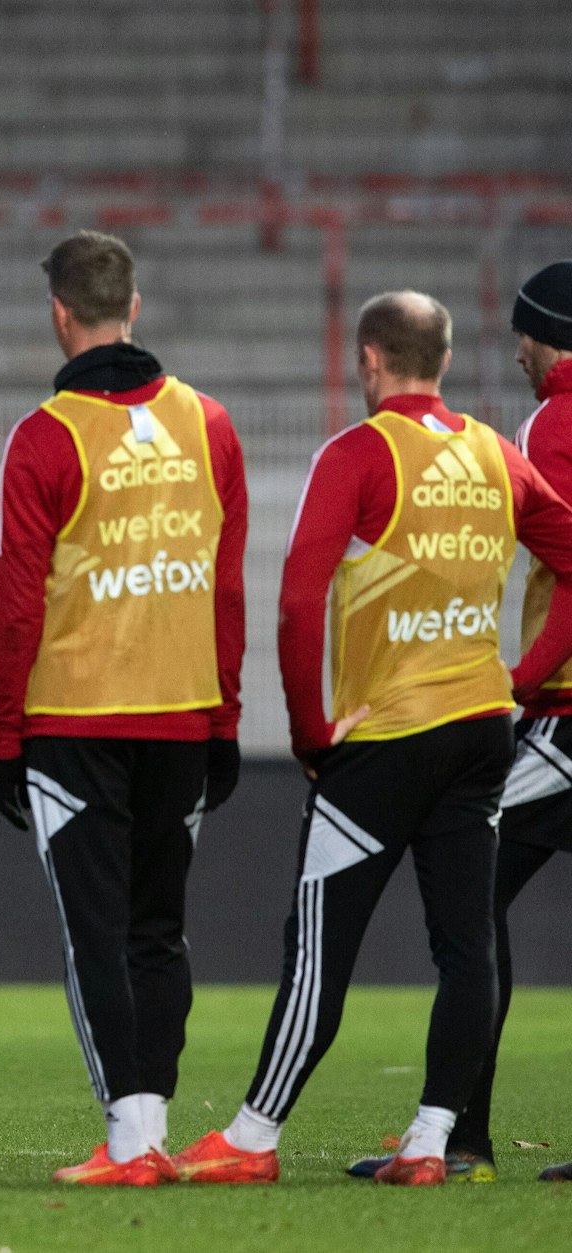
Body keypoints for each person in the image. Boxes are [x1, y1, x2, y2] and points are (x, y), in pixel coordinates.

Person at [174, 291, 572, 1186]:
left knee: (320, 940)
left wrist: (312, 731)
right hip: (481, 733)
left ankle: (252, 1134)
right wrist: (525, 676)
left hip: (387, 735)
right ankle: (432, 1142)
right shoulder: (494, 455)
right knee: (467, 944)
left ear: (369, 361)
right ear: (442, 358)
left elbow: (298, 599)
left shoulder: (357, 454)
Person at [0, 231, 247, 1185]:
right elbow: (226, 587)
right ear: (132, 306)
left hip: (75, 723)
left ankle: (132, 1141)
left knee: (94, 932)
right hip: (182, 714)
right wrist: (225, 719)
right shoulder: (210, 425)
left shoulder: (47, 436)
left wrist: (4, 735)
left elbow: (18, 601)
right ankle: (155, 1130)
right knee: (159, 929)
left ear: (61, 315)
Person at [387, 261, 572, 1186]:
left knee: (472, 897)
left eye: (529, 339)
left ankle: (459, 1133)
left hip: (566, 720)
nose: (522, 356)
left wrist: (520, 680)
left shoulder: (551, 423)